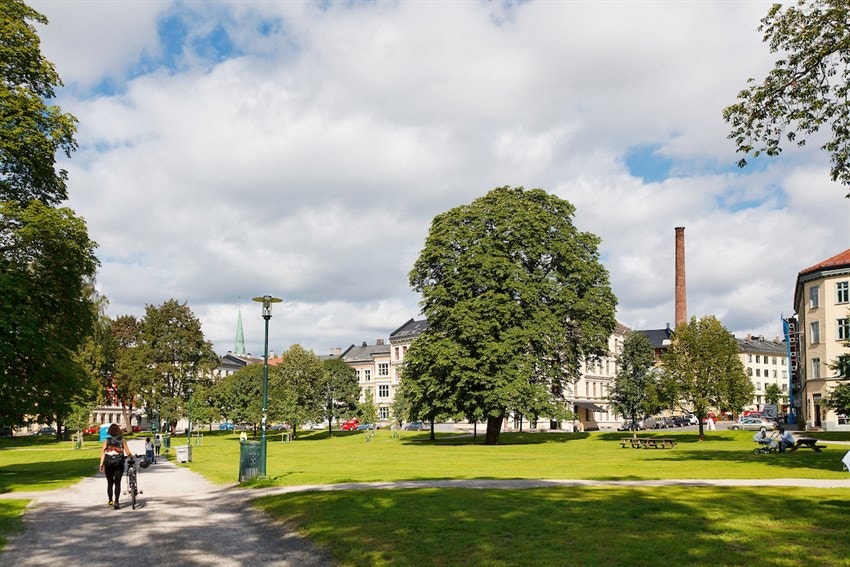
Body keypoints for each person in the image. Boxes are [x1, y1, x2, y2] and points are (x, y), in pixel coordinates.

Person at [99, 423, 134, 509]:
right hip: (119, 463)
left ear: (110, 431)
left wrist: (101, 464)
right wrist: (131, 456)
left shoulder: (106, 441)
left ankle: (110, 500)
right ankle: (117, 502)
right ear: (118, 431)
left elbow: (103, 453)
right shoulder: (122, 440)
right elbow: (127, 452)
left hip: (108, 464)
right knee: (118, 483)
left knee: (110, 483)